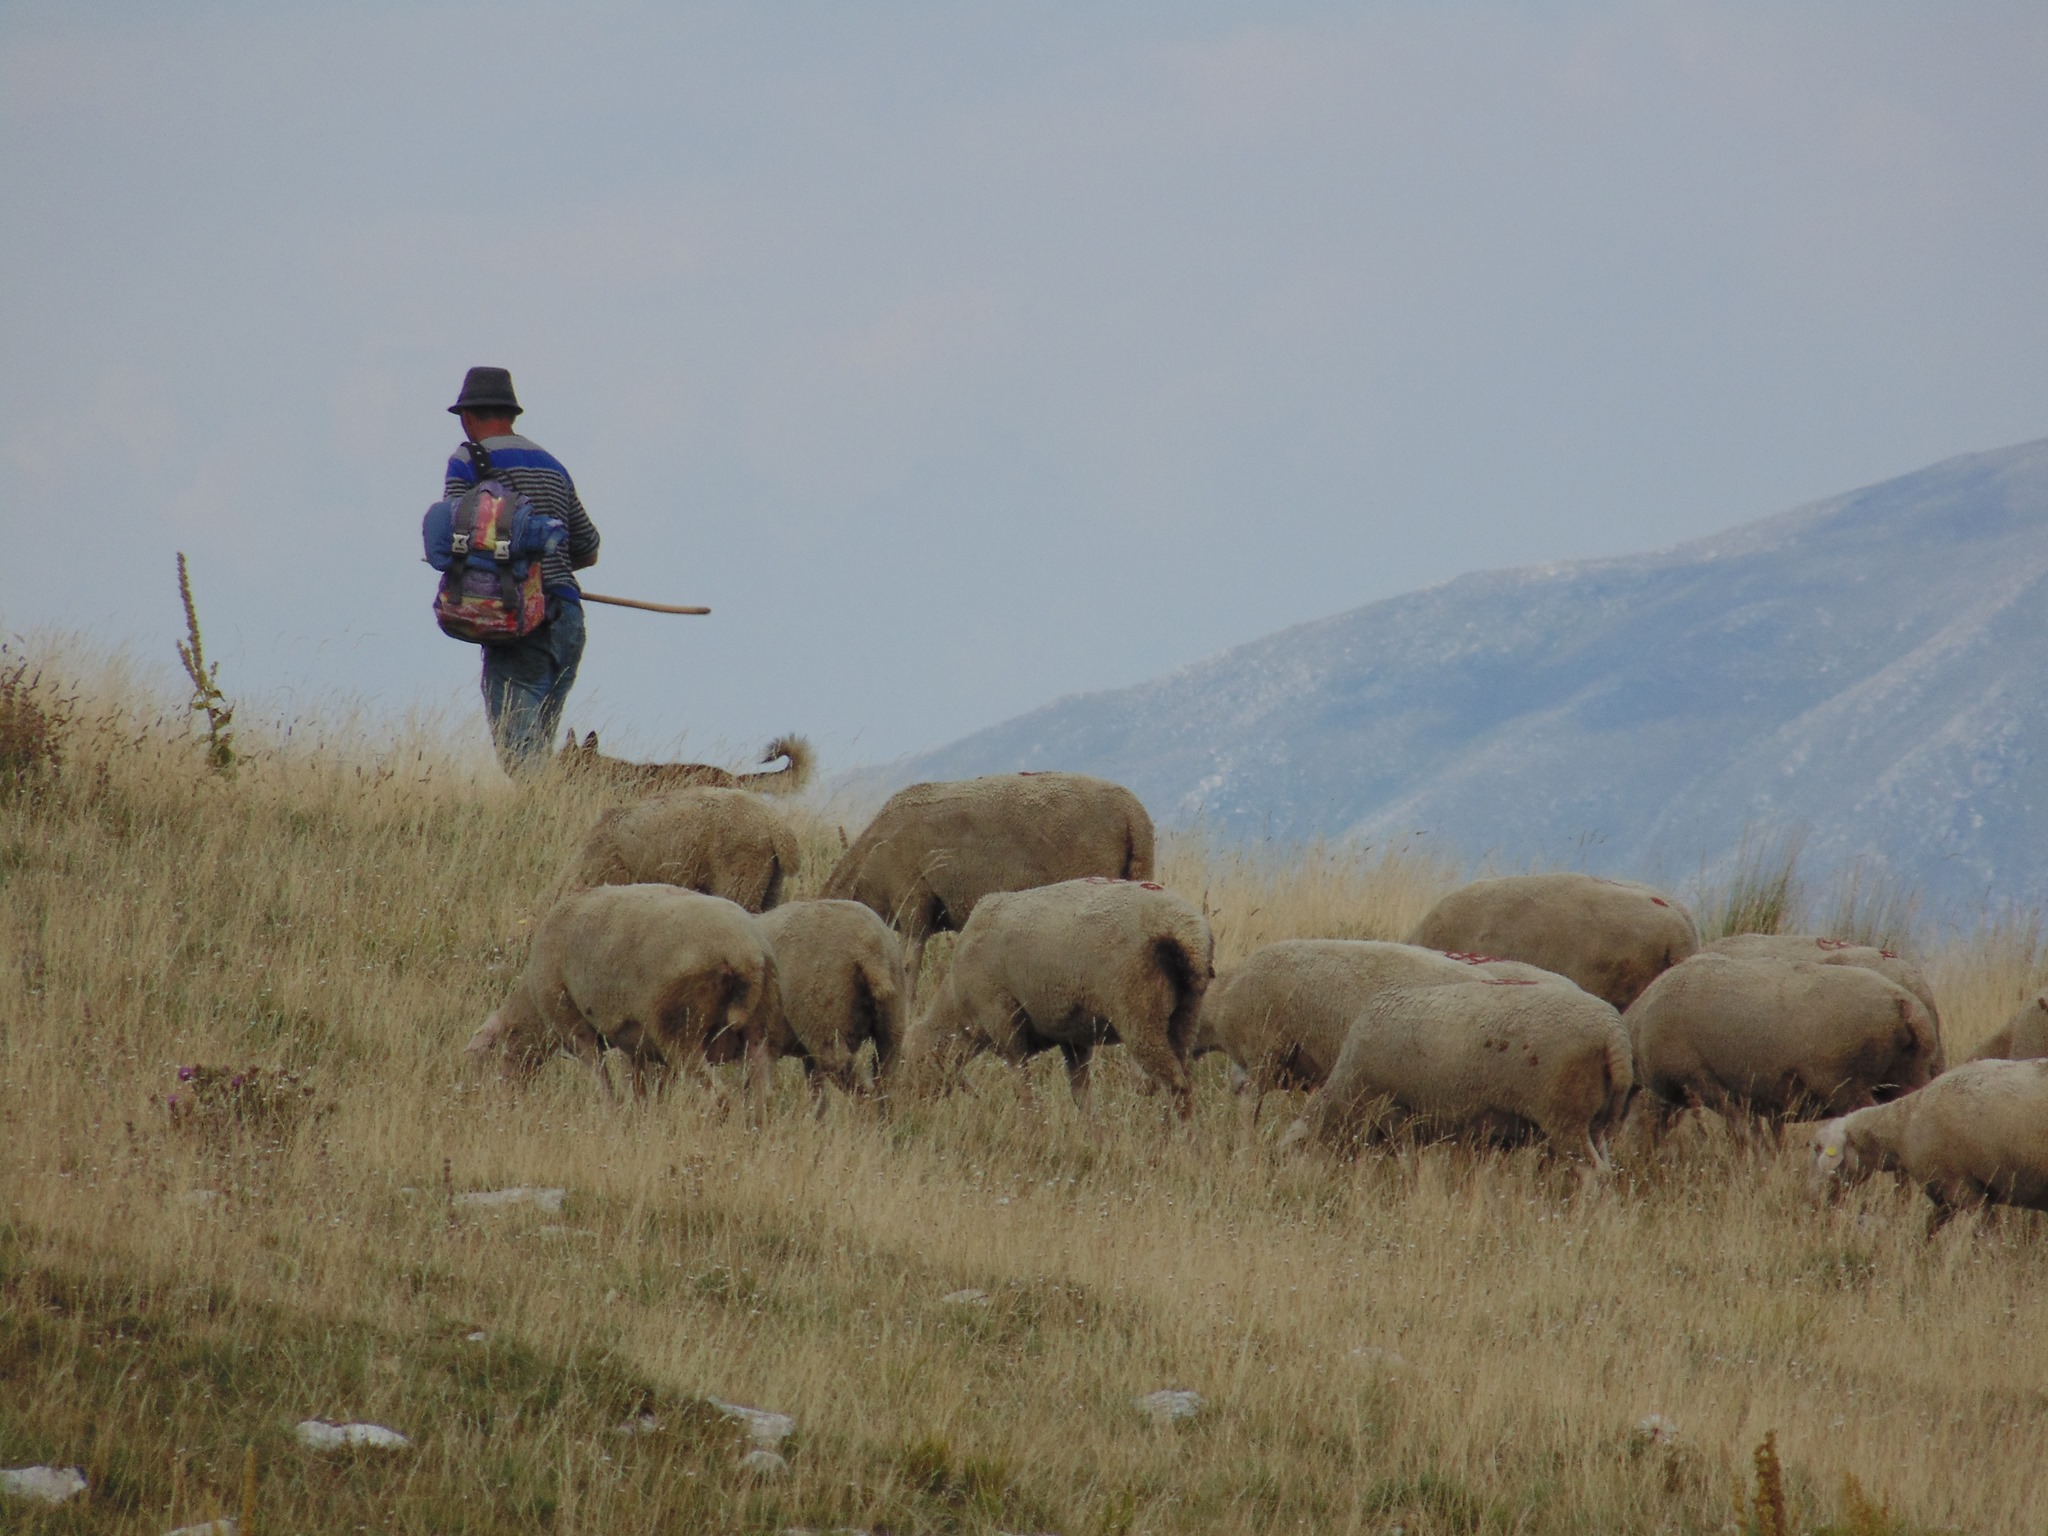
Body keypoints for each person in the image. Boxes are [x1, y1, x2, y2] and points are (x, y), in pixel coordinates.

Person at [441, 366, 600, 772]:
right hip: (567, 620)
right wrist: (552, 566)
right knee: (540, 750)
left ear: (467, 417)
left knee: (521, 757)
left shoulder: (468, 460)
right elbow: (588, 546)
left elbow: (453, 537)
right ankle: (552, 826)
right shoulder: (552, 465)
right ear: (511, 415)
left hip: (519, 620)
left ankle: (542, 821)